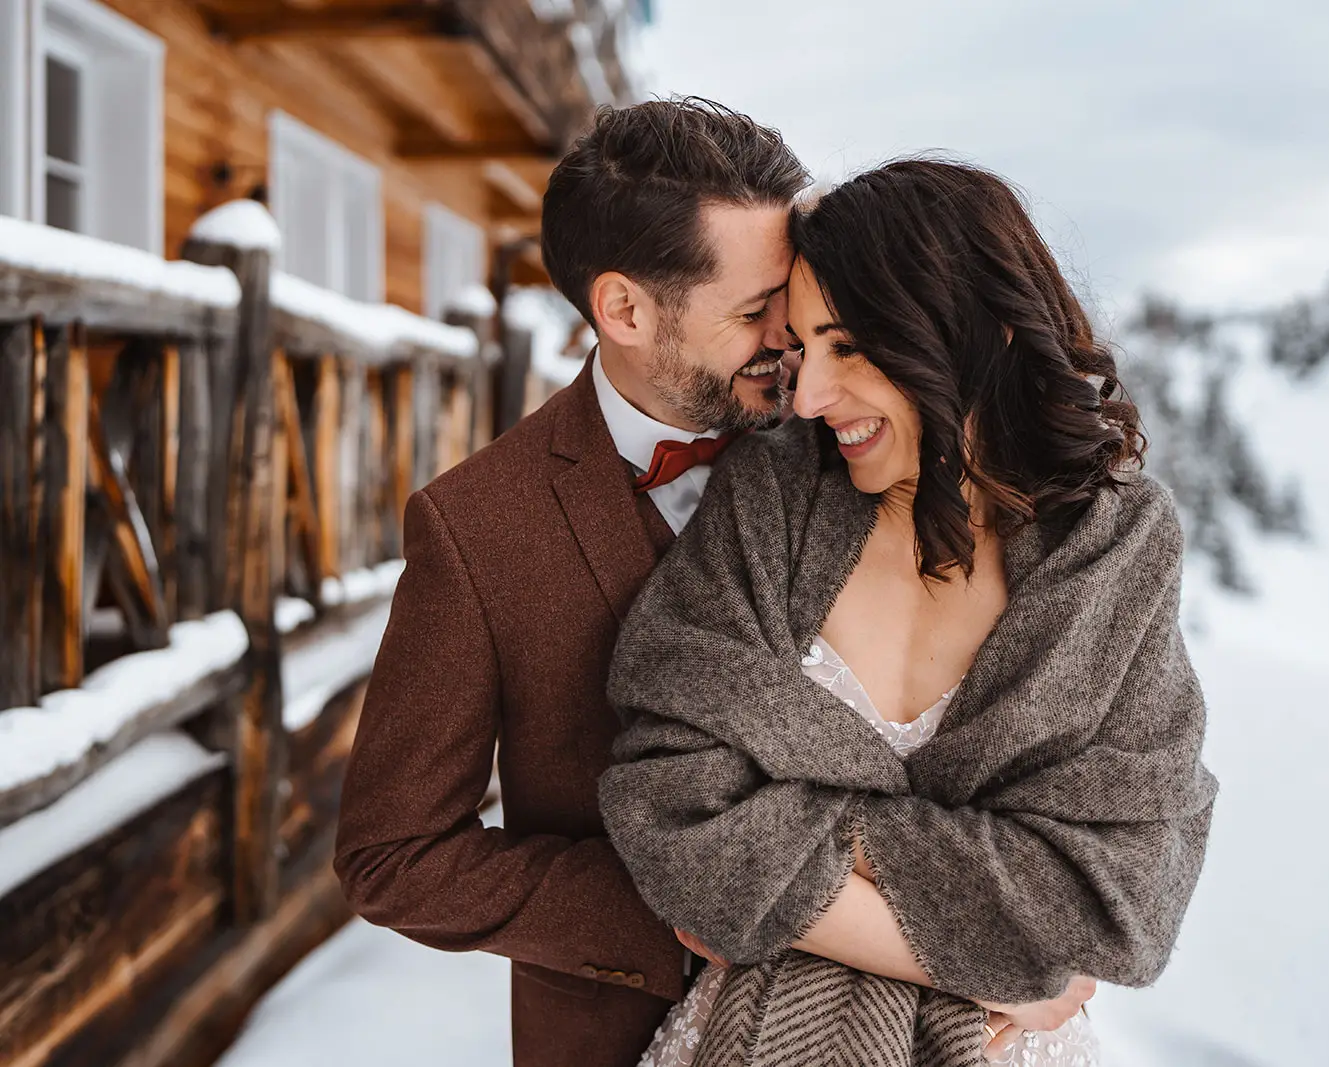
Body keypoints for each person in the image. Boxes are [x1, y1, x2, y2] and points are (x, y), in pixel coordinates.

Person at [600, 160, 1219, 1066]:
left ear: (979, 332)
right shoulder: (774, 497)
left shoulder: (1112, 551)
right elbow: (665, 800)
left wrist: (797, 839)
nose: (807, 396)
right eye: (803, 349)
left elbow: (1119, 894)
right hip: (780, 1032)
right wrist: (994, 968)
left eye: (848, 346)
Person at [333, 97, 811, 1067]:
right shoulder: (475, 527)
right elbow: (394, 853)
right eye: (753, 309)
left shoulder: (851, 441)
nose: (791, 335)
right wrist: (667, 908)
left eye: (791, 296)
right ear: (624, 309)